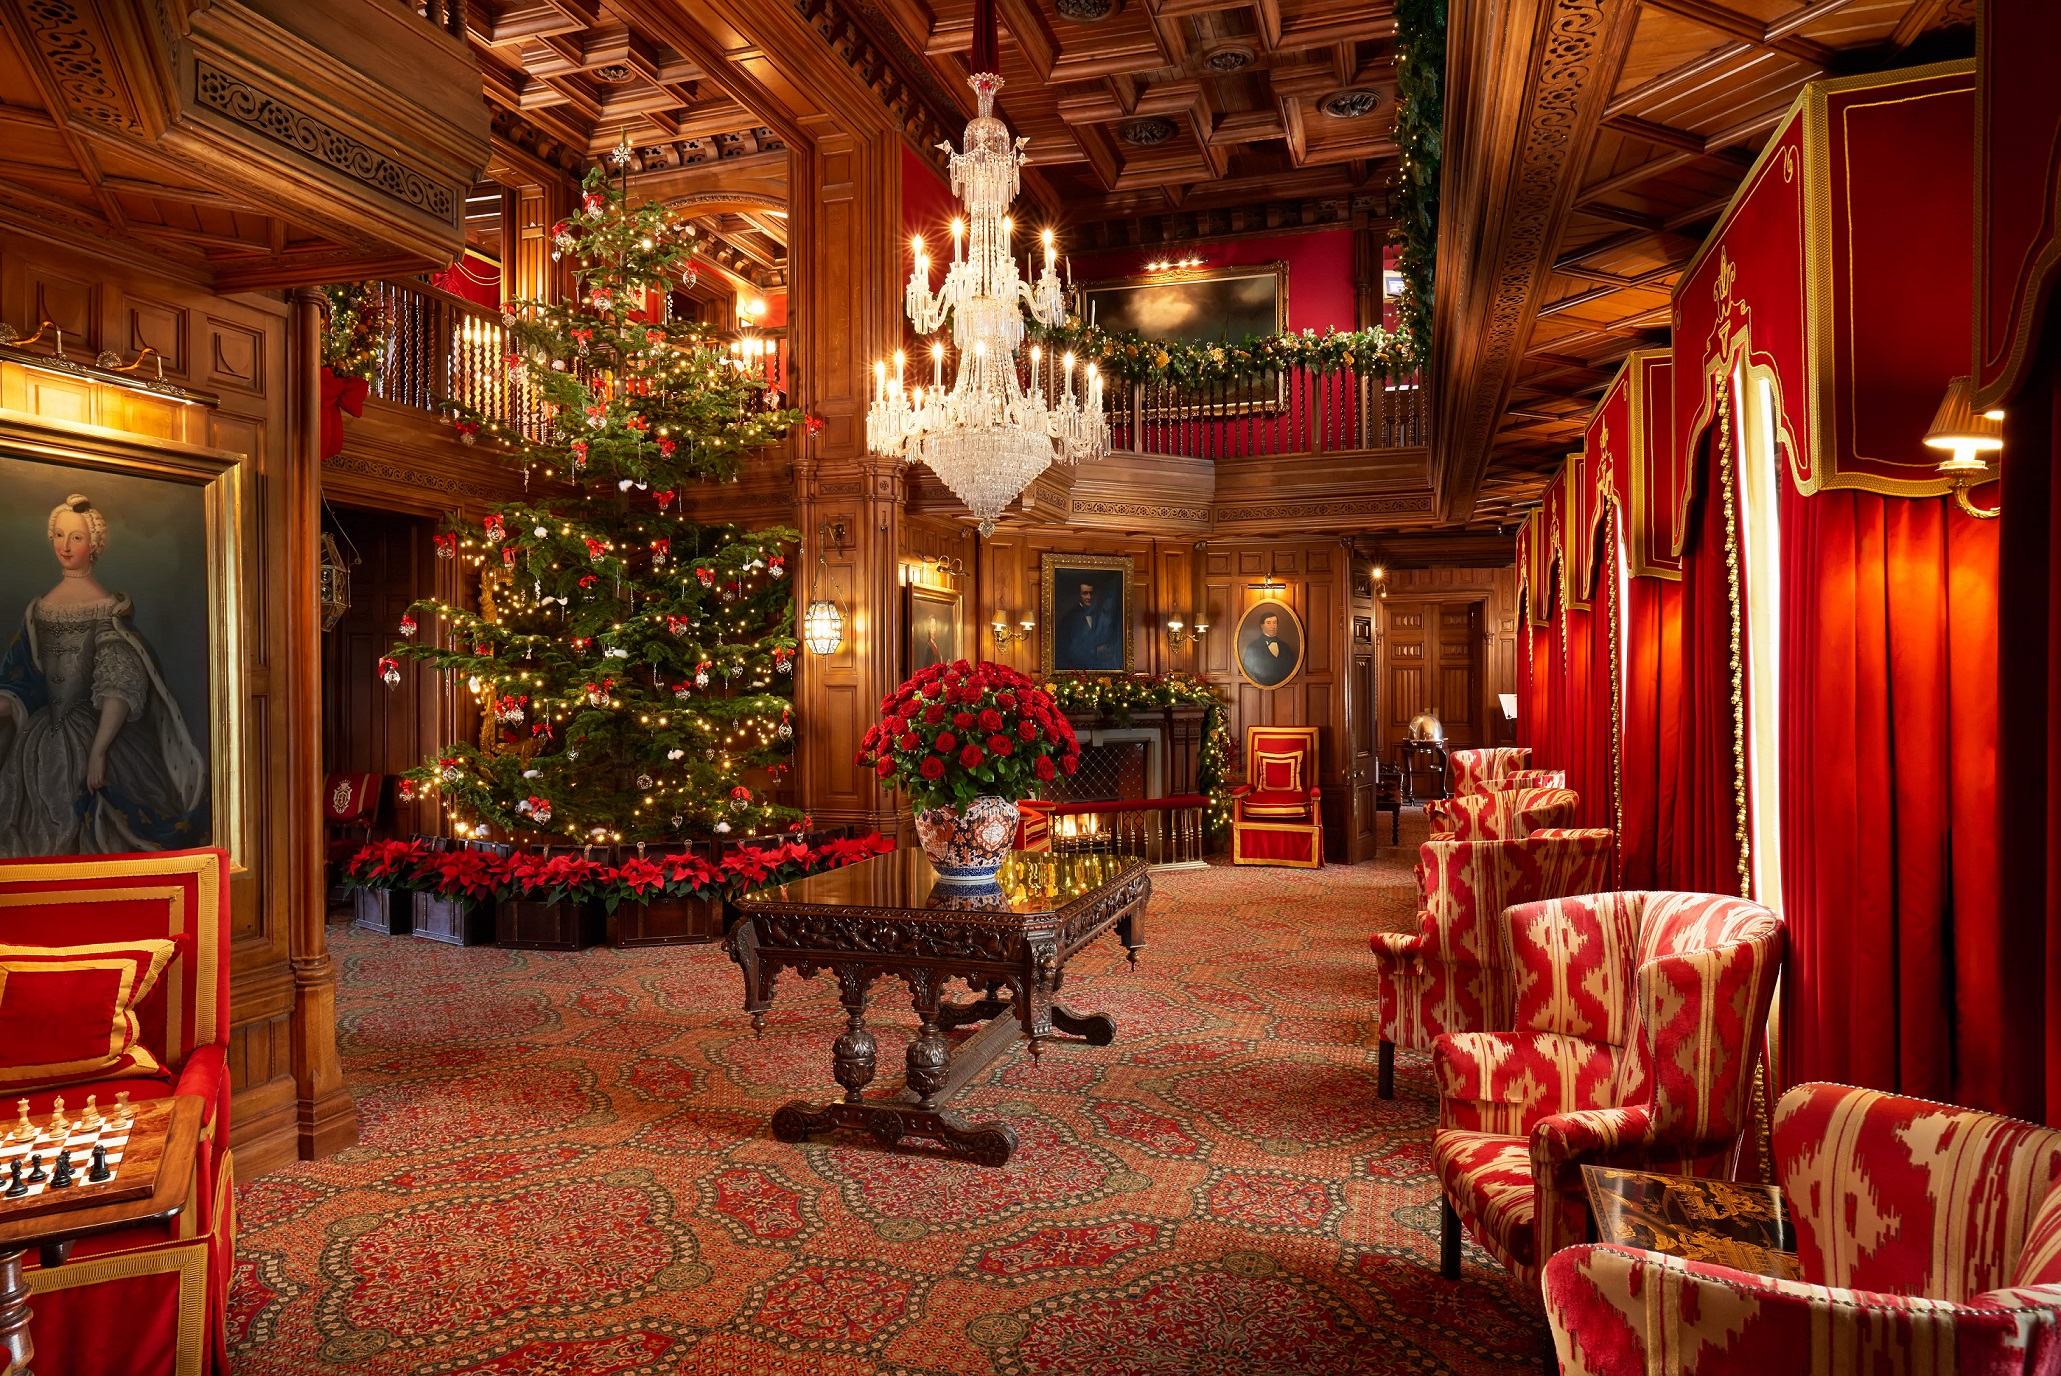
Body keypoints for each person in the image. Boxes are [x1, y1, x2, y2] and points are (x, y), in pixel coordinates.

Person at [0, 494, 209, 856]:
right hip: (37, 742)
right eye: (60, 536)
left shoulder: (107, 610)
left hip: (97, 736)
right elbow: (21, 678)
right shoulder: (38, 610)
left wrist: (98, 751)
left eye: (76, 538)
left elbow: (119, 684)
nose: (65, 546)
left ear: (94, 545)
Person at [1055, 578, 1120, 670]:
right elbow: (1068, 649)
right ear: (1079, 595)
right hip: (1078, 669)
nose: (1089, 597)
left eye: (1091, 593)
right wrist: (1096, 651)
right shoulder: (1069, 618)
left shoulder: (1102, 614)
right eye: (1085, 593)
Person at [1239, 607, 1298, 688]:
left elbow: (1291, 668)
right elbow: (1249, 671)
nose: (1272, 626)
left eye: (1275, 623)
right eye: (1268, 623)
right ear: (1262, 626)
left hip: (1285, 688)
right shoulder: (1253, 647)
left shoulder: (1285, 647)